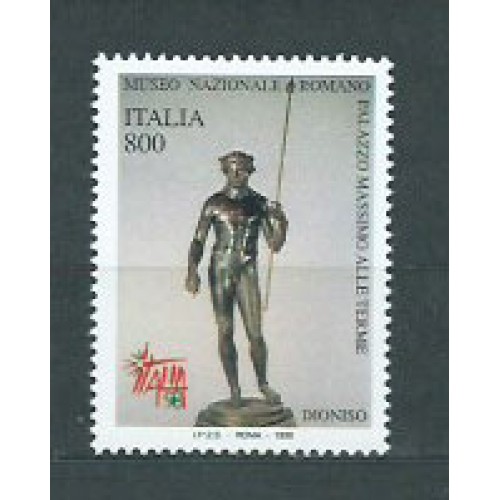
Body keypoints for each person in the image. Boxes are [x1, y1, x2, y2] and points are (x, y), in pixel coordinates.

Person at [185, 150, 288, 407]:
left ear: (250, 171)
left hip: (247, 269)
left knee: (255, 332)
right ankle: (234, 388)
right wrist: (191, 270)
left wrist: (282, 222)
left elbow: (274, 244)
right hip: (220, 269)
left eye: (242, 168)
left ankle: (263, 383)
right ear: (225, 170)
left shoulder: (259, 203)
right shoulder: (214, 203)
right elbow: (198, 240)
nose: (237, 173)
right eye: (233, 168)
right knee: (225, 330)